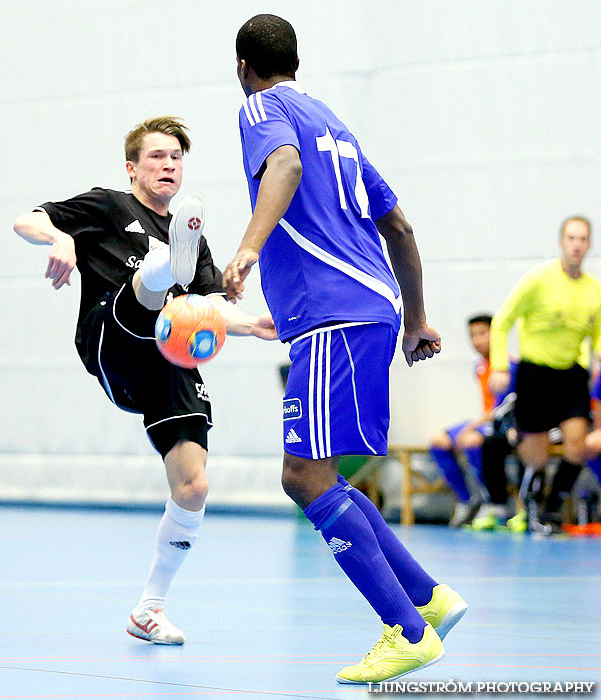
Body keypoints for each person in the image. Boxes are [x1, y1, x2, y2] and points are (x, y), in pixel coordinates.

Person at [224, 14, 467, 685]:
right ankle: (426, 597)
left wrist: (248, 245)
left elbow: (285, 163)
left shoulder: (260, 108)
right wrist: (415, 316)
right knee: (319, 474)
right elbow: (399, 223)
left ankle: (406, 630)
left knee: (302, 476)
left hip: (333, 313)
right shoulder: (335, 124)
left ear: (244, 65)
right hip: (370, 308)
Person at [13, 116, 276, 645]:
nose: (169, 165)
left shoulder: (194, 244)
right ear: (133, 168)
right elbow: (25, 220)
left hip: (169, 362)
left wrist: (255, 325)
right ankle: (158, 271)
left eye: (176, 158)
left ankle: (149, 608)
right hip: (114, 339)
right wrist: (60, 238)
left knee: (194, 485)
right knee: (147, 293)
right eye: (157, 157)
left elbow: (209, 311)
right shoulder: (109, 206)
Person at [489, 216, 601, 534]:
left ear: (589, 245)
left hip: (572, 378)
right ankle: (533, 508)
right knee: (535, 458)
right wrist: (499, 365)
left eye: (583, 239)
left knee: (577, 447)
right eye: (571, 238)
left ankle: (553, 506)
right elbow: (503, 320)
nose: (577, 244)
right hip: (535, 375)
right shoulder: (539, 280)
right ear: (562, 242)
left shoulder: (594, 291)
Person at [428, 314, 515, 527]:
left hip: (503, 425)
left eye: (482, 334)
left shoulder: (508, 366)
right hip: (484, 420)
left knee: (470, 440)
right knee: (438, 442)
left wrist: (470, 428)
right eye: (473, 335)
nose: (477, 340)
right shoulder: (480, 366)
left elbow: (500, 410)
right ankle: (467, 500)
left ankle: (490, 500)